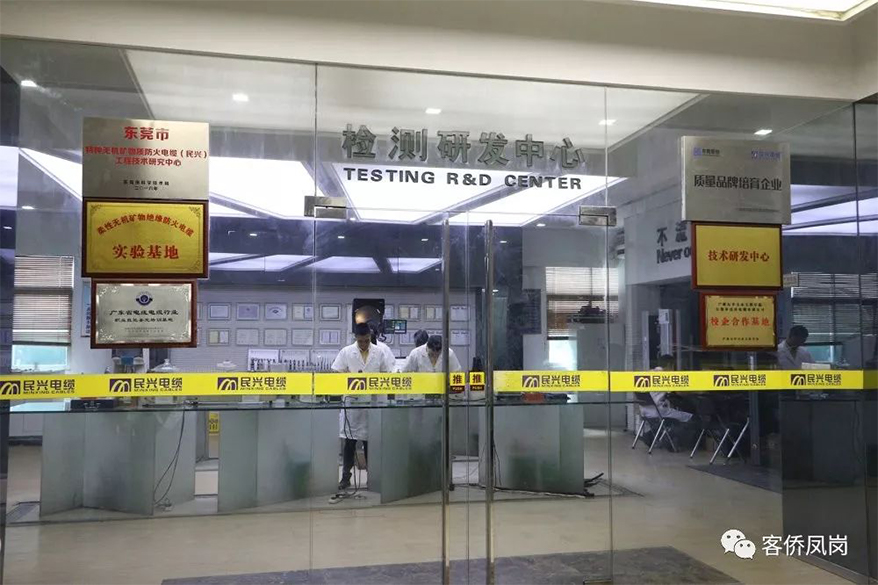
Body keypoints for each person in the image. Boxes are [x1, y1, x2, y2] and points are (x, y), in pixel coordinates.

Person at [331, 322, 395, 491]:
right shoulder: (346, 352)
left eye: (366, 340)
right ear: (356, 338)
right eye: (360, 341)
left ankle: (372, 478)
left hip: (372, 403)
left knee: (370, 444)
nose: (364, 344)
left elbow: (387, 374)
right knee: (349, 443)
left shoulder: (379, 352)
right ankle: (346, 478)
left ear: (370, 336)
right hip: (352, 404)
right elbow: (336, 372)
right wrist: (348, 378)